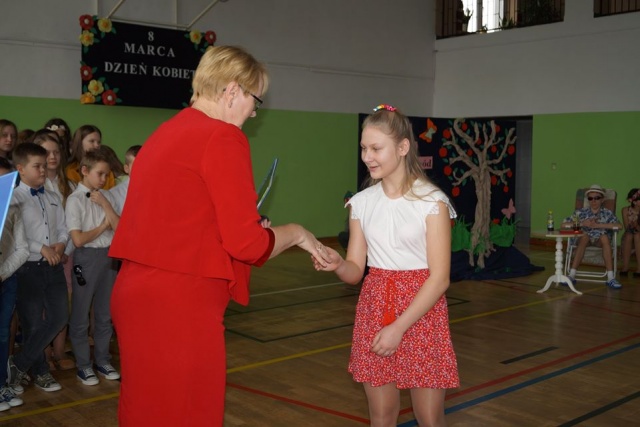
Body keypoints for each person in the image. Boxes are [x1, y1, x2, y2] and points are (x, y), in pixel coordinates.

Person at [108, 45, 330, 427]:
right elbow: (247, 245)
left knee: (145, 412)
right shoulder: (223, 136)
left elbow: (179, 219)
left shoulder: (164, 132)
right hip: (180, 303)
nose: (254, 112)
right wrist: (296, 233)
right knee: (189, 414)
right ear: (232, 91)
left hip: (135, 294)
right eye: (255, 100)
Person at [314, 104, 459, 426]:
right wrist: (338, 264)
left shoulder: (431, 202)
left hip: (422, 311)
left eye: (376, 148)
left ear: (403, 147)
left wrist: (398, 328)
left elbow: (440, 278)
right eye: (364, 148)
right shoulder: (361, 203)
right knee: (381, 415)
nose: (367, 156)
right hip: (375, 307)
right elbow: (356, 270)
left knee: (429, 417)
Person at [7, 143, 69, 397]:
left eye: (44, 165)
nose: (43, 170)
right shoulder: (13, 199)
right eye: (37, 166)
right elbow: (15, 235)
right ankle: (40, 371)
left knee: (59, 317)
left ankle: (19, 364)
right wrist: (41, 248)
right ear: (21, 169)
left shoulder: (52, 197)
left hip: (53, 267)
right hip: (27, 269)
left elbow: (63, 228)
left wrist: (61, 243)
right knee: (33, 324)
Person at [65, 150, 120, 386]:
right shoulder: (75, 200)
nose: (103, 179)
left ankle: (103, 360)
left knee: (104, 314)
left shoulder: (106, 196)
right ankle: (84, 365)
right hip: (86, 259)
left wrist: (106, 206)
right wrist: (103, 226)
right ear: (85, 171)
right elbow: (78, 240)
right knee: (81, 314)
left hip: (109, 257)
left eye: (106, 174)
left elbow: (119, 228)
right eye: (100, 174)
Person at [32, 131, 76, 371]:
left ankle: (59, 351)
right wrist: (48, 250)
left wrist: (64, 249)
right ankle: (45, 353)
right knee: (41, 307)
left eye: (56, 152)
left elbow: (71, 224)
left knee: (62, 305)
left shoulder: (69, 186)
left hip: (65, 255)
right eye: (47, 152)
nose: (52, 157)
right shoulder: (34, 186)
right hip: (40, 256)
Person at [0, 159, 28, 410]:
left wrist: (2, 273)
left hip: (5, 280)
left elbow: (22, 249)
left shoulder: (14, 208)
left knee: (2, 334)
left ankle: (1, 384)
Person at [562, 184, 623, 289]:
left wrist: (599, 225)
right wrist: (583, 223)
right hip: (584, 240)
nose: (593, 201)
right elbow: (563, 225)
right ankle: (571, 275)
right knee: (584, 236)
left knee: (604, 237)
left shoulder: (607, 213)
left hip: (600, 241)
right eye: (590, 198)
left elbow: (619, 226)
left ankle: (610, 278)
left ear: (602, 199)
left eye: (597, 198)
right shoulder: (581, 212)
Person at [66, 125, 116, 190]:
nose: (97, 145)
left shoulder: (106, 169)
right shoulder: (70, 170)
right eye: (92, 141)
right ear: (80, 143)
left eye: (99, 142)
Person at [109, 144, 141, 215]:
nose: (142, 169)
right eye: (136, 166)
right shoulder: (114, 194)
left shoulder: (158, 190)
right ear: (126, 169)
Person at [620, 188, 640, 277]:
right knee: (629, 235)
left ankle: (639, 268)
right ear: (634, 201)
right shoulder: (625, 210)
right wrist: (632, 225)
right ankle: (625, 267)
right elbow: (627, 227)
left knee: (637, 235)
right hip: (630, 232)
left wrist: (637, 225)